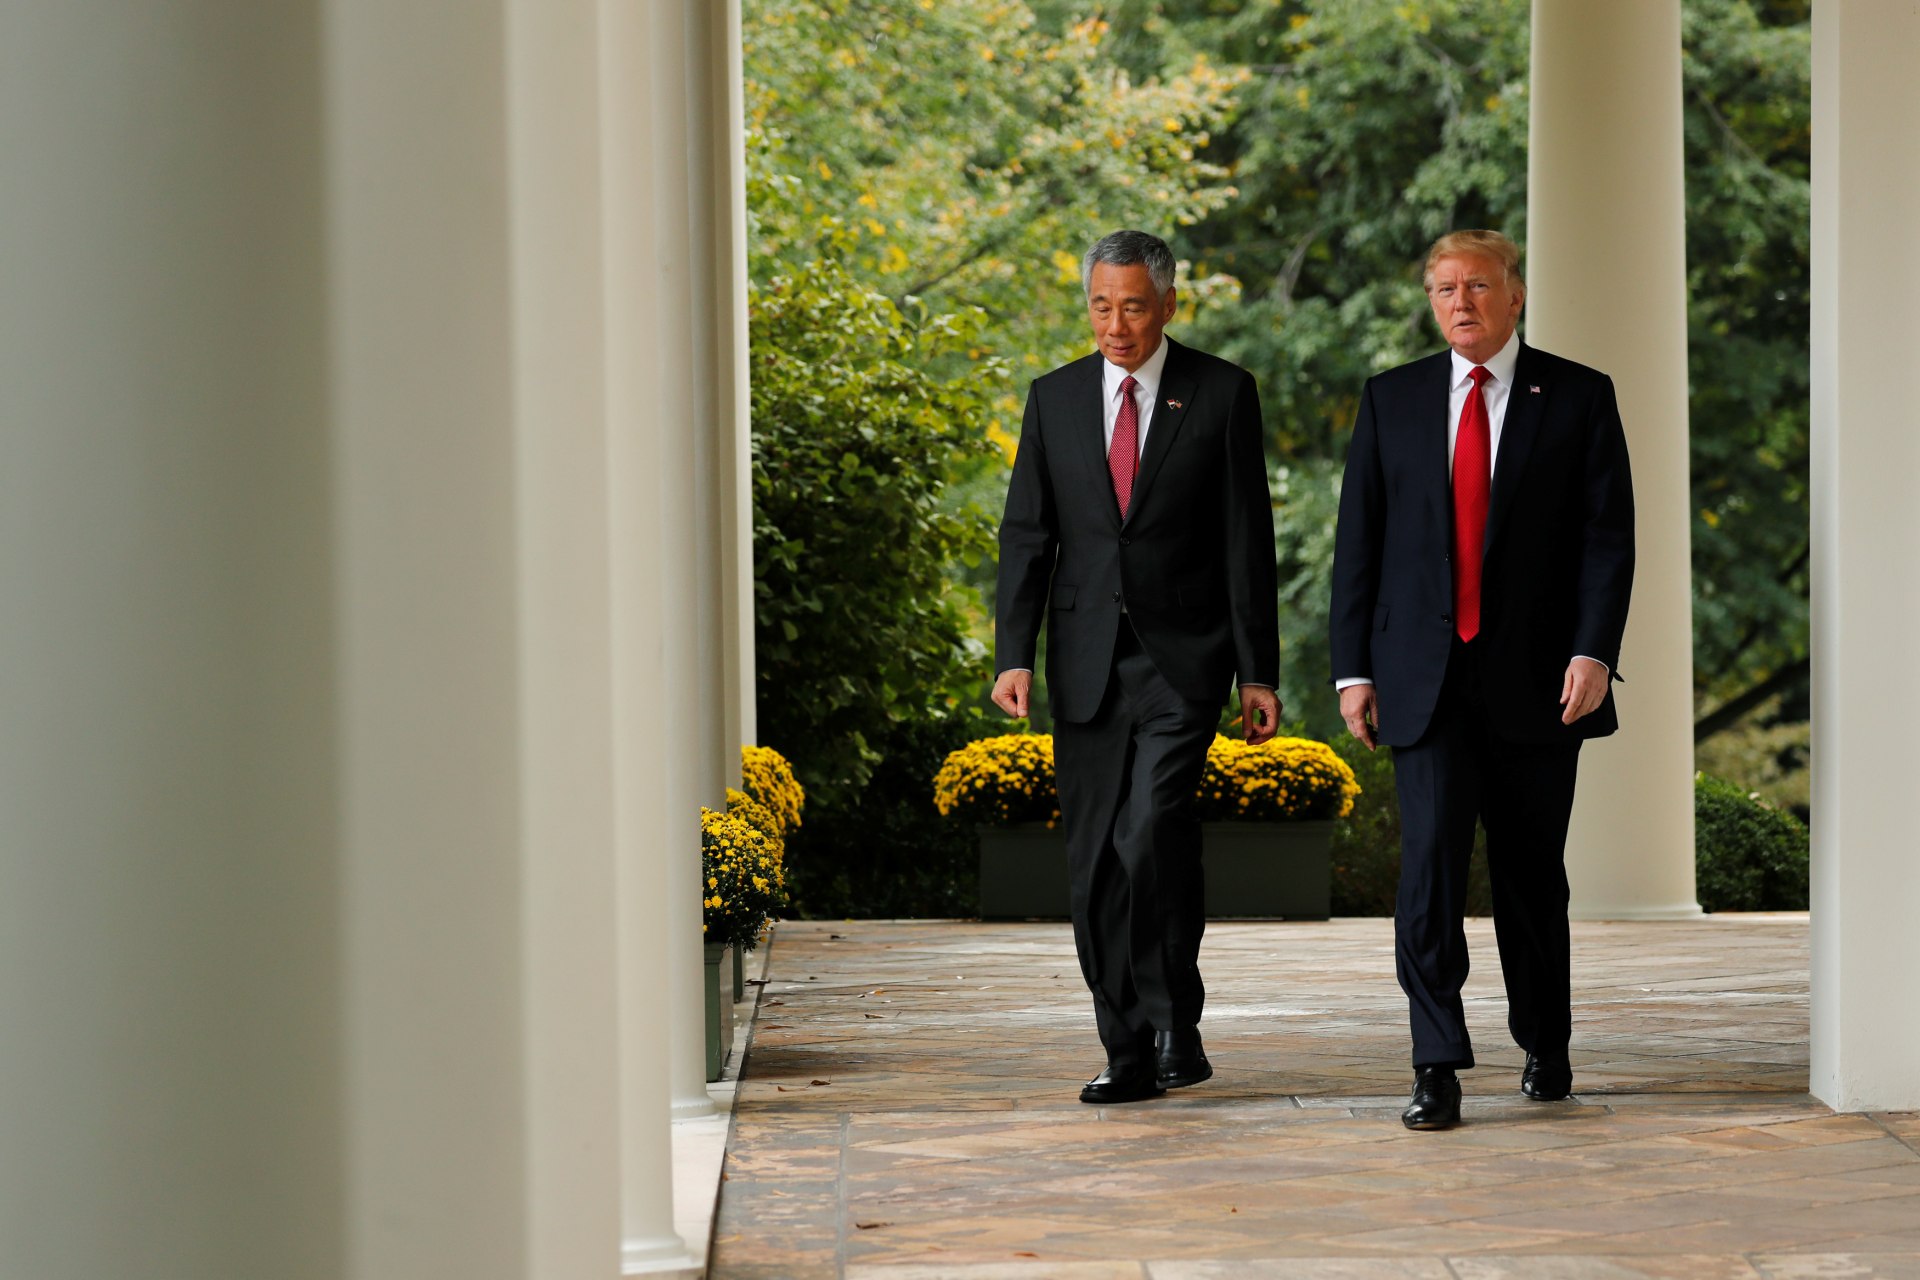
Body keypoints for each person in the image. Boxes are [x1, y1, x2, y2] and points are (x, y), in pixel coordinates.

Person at [1329, 229, 1635, 1130]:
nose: (1460, 302)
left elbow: (1606, 539)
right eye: (1443, 288)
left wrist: (1593, 651)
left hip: (1542, 683)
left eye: (1477, 286)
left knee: (1531, 876)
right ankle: (1437, 1064)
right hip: (1421, 681)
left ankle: (1546, 1040)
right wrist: (1354, 669)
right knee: (1425, 873)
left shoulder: (1578, 396)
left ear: (1516, 294)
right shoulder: (1393, 401)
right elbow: (1361, 545)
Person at [992, 229, 1282, 1105]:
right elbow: (1027, 536)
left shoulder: (1223, 394)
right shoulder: (1053, 399)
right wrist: (1014, 654)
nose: (1115, 325)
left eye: (1133, 306)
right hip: (1083, 665)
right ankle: (1131, 1046)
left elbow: (1246, 541)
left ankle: (1170, 1018)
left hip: (1182, 663)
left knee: (1149, 829)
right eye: (1101, 305)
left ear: (1167, 305)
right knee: (1097, 863)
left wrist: (1256, 671)